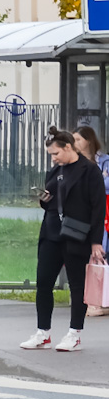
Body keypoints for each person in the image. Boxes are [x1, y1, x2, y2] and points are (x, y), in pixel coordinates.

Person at [21, 127, 108, 351]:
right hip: (51, 232)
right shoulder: (55, 170)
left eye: (56, 153)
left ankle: (74, 333)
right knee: (43, 282)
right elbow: (52, 198)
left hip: (76, 235)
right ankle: (43, 332)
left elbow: (98, 208)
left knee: (77, 285)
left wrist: (96, 242)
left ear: (68, 147)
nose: (54, 158)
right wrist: (44, 199)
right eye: (51, 154)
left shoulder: (89, 171)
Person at [74, 125, 109, 316]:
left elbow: (105, 184)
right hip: (81, 212)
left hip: (103, 212)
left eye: (78, 139)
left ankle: (99, 301)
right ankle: (90, 299)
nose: (75, 143)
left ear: (88, 140)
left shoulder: (103, 161)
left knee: (100, 253)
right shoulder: (73, 162)